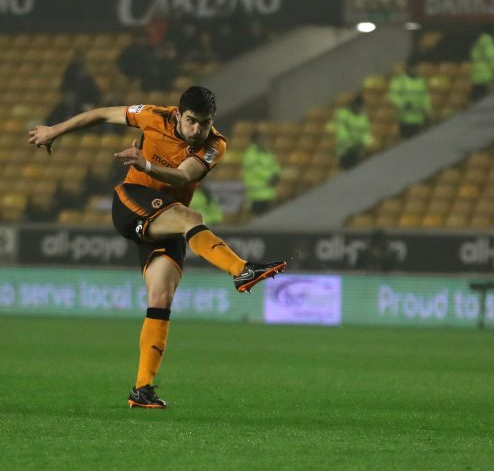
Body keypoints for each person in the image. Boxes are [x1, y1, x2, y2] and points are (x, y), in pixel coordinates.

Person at [27, 86, 286, 409]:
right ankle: (241, 269)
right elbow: (101, 114)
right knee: (191, 216)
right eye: (191, 121)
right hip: (132, 200)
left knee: (161, 295)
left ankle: (141, 389)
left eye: (204, 123)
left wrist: (147, 164)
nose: (197, 130)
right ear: (178, 115)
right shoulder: (153, 116)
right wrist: (55, 130)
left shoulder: (215, 145)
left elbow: (181, 177)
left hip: (167, 218)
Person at [388, 59, 432, 138]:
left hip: (418, 118)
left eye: (416, 67)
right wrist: (403, 104)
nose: (414, 69)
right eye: (412, 67)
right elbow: (393, 96)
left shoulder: (420, 81)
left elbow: (425, 98)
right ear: (408, 68)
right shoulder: (399, 80)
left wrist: (427, 111)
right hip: (404, 118)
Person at [242, 129, 282, 215]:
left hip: (269, 192)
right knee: (259, 217)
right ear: (255, 139)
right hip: (257, 193)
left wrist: (277, 175)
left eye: (265, 138)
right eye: (262, 138)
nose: (264, 140)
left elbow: (275, 165)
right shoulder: (250, 153)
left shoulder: (267, 152)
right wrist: (269, 176)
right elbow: (254, 169)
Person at [330, 94, 373, 170]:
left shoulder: (363, 117)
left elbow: (365, 133)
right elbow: (341, 131)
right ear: (354, 104)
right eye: (357, 106)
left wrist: (364, 141)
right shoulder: (343, 114)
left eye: (361, 106)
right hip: (345, 151)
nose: (359, 108)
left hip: (357, 150)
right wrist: (349, 142)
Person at [470, 26, 494, 101]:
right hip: (486, 77)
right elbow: (492, 58)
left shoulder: (478, 41)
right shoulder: (488, 42)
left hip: (476, 77)